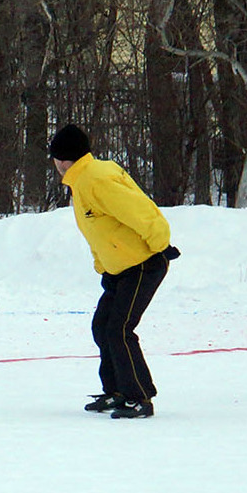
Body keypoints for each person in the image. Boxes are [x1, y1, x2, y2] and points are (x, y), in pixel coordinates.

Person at [48, 124, 177, 419]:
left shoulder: (95, 179)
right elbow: (98, 229)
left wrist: (161, 244)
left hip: (144, 263)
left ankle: (138, 397)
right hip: (121, 268)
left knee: (119, 329)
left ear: (63, 160)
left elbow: (141, 211)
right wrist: (103, 265)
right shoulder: (82, 181)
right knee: (102, 326)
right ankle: (117, 391)